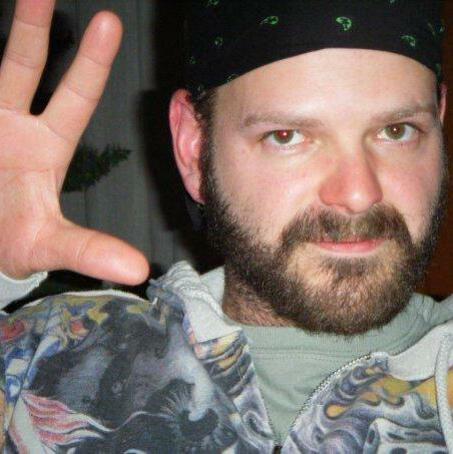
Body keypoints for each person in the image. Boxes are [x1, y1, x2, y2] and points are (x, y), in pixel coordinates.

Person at [0, 0, 450, 451]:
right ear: (194, 149)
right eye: (286, 136)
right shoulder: (48, 359)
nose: (358, 193)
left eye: (398, 130)